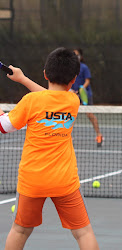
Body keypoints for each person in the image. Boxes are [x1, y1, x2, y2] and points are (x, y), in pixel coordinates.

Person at [3, 48, 99, 249]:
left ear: (45, 72)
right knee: (84, 233)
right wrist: (23, 79)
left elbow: (4, 127)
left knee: (20, 230)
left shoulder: (31, 101)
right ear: (73, 80)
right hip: (64, 181)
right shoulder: (73, 101)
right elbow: (50, 97)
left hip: (32, 180)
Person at [71, 48, 103, 147]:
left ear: (81, 56)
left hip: (85, 95)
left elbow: (87, 81)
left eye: (77, 55)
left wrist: (81, 90)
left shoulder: (84, 67)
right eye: (74, 55)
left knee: (90, 115)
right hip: (73, 95)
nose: (76, 57)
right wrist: (71, 90)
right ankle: (67, 136)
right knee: (70, 116)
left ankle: (99, 135)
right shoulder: (70, 68)